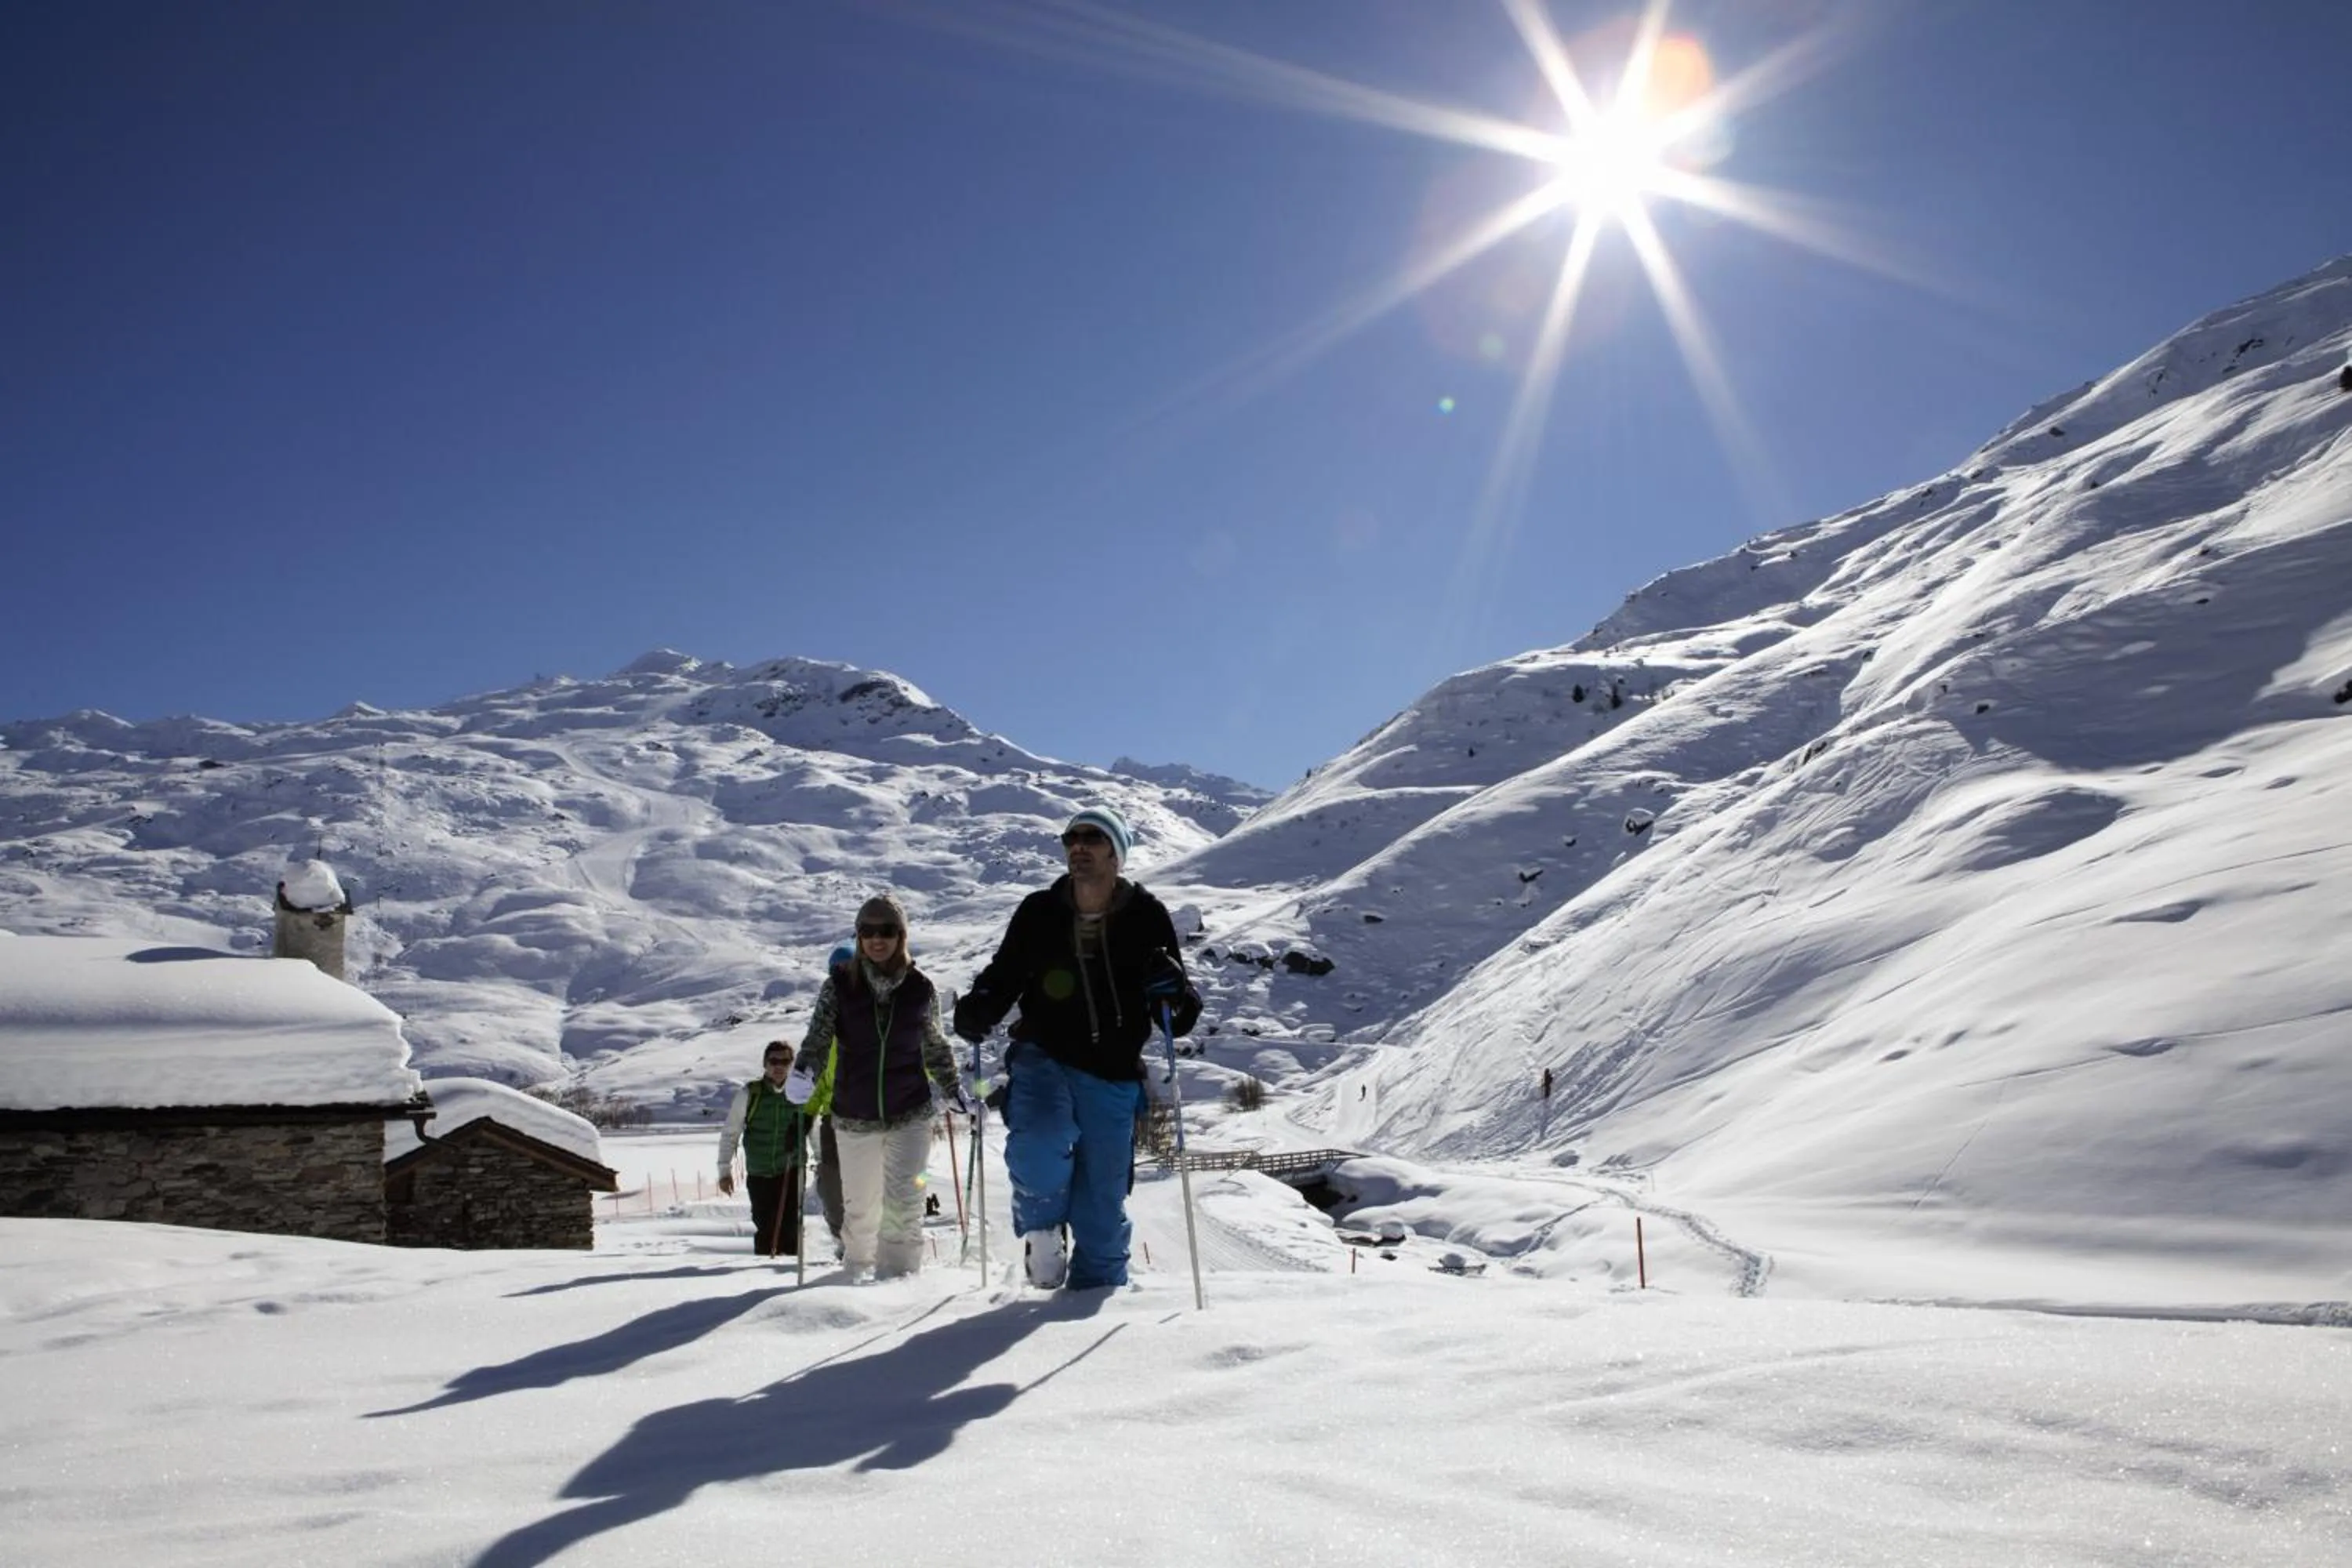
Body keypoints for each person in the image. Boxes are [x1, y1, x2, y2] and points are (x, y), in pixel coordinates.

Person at [953, 804, 1201, 1291]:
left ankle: (1095, 1300)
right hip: (1043, 1052)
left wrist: (1174, 991)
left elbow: (1178, 1013)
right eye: (1071, 839)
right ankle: (1043, 1235)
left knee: (1102, 1209)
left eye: (1092, 838)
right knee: (1040, 1139)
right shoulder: (1038, 912)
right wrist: (980, 1004)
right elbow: (1005, 975)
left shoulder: (1146, 915)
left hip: (1112, 1071)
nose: (1079, 847)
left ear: (1117, 853)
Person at [786, 895, 967, 1283]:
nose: (876, 939)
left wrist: (952, 1087)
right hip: (854, 1115)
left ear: (901, 935)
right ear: (858, 936)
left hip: (911, 1112)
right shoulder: (840, 985)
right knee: (862, 1210)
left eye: (885, 930)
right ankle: (856, 1278)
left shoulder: (921, 988)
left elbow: (934, 1043)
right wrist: (804, 1073)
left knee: (904, 1207)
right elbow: (818, 1038)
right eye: (867, 931)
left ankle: (899, 1286)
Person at [715, 1040, 810, 1258]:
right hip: (760, 1171)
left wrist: (823, 1162)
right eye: (774, 1061)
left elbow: (812, 1129)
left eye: (785, 1061)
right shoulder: (750, 1093)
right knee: (765, 1226)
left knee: (790, 1227)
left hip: (792, 1167)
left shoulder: (800, 1093)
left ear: (791, 1064)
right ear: (765, 1064)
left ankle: (789, 1279)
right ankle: (761, 1274)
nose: (779, 1066)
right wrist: (724, 1171)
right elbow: (731, 1133)